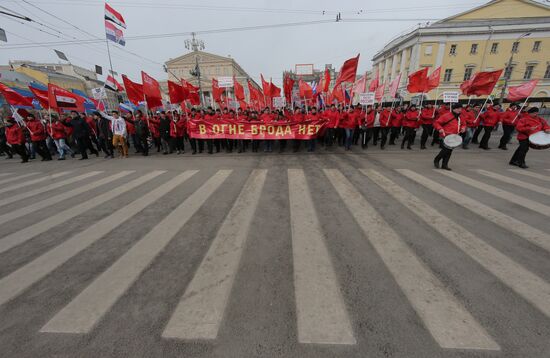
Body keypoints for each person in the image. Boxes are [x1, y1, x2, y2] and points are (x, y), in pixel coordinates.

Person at [433, 103, 465, 171]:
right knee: (446, 149)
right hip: (445, 135)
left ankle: (444, 164)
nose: (460, 110)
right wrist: (440, 128)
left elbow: (463, 124)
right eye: (458, 108)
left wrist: (463, 128)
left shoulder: (461, 117)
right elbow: (437, 123)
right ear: (454, 109)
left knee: (449, 150)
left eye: (461, 108)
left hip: (454, 136)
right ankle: (437, 159)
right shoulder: (446, 116)